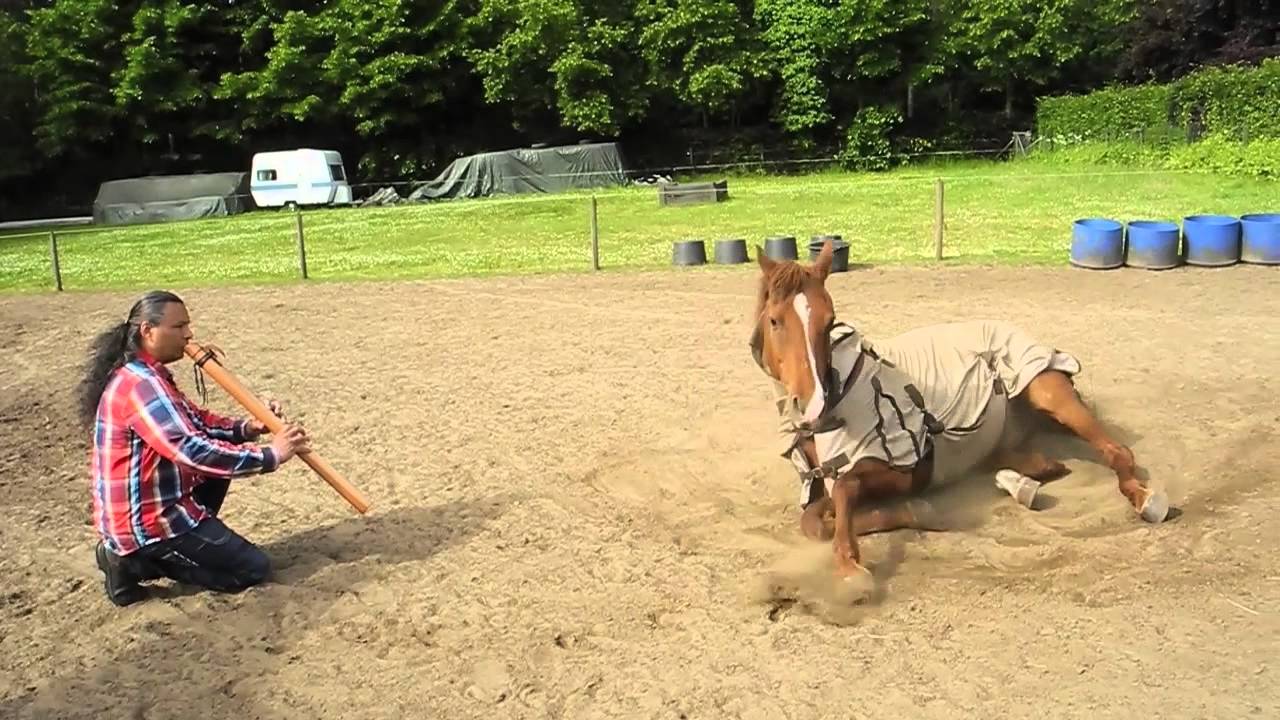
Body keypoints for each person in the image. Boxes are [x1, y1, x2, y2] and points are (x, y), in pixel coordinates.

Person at [77, 290, 311, 606]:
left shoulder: (147, 375)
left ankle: (153, 551)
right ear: (148, 331)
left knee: (218, 464)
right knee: (252, 569)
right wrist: (271, 455)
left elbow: (196, 422)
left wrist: (248, 428)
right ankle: (133, 562)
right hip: (147, 523)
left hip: (153, 508)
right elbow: (192, 450)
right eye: (179, 326)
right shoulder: (142, 385)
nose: (189, 334)